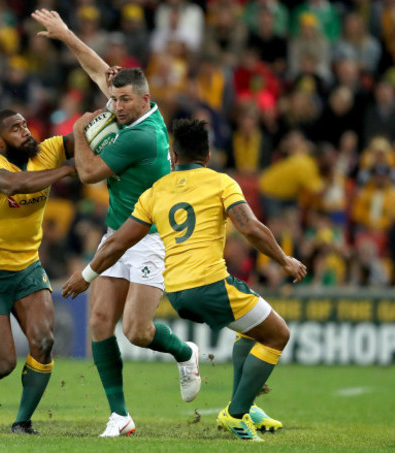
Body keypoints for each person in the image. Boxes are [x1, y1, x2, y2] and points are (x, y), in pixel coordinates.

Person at [62, 119, 307, 441]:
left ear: (173, 158)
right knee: (277, 335)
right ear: (207, 156)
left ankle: (243, 406)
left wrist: (88, 275)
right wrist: (284, 260)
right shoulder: (221, 182)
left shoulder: (155, 192)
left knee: (250, 331)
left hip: (177, 293)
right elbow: (250, 228)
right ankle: (235, 415)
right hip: (210, 285)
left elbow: (119, 242)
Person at [32, 9, 201, 437]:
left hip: (150, 236)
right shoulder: (134, 109)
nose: (117, 106)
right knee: (99, 322)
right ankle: (120, 415)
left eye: (125, 101)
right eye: (115, 99)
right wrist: (66, 33)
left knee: (137, 330)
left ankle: (184, 352)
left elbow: (87, 174)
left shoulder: (143, 137)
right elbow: (97, 68)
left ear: (145, 101)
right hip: (117, 230)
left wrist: (78, 132)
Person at [0, 109, 76, 435]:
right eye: (15, 129)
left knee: (44, 340)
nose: (25, 131)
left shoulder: (46, 152)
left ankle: (22, 422)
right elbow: (12, 185)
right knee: (4, 364)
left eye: (25, 125)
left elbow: (85, 135)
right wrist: (63, 173)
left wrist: (113, 112)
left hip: (27, 268)